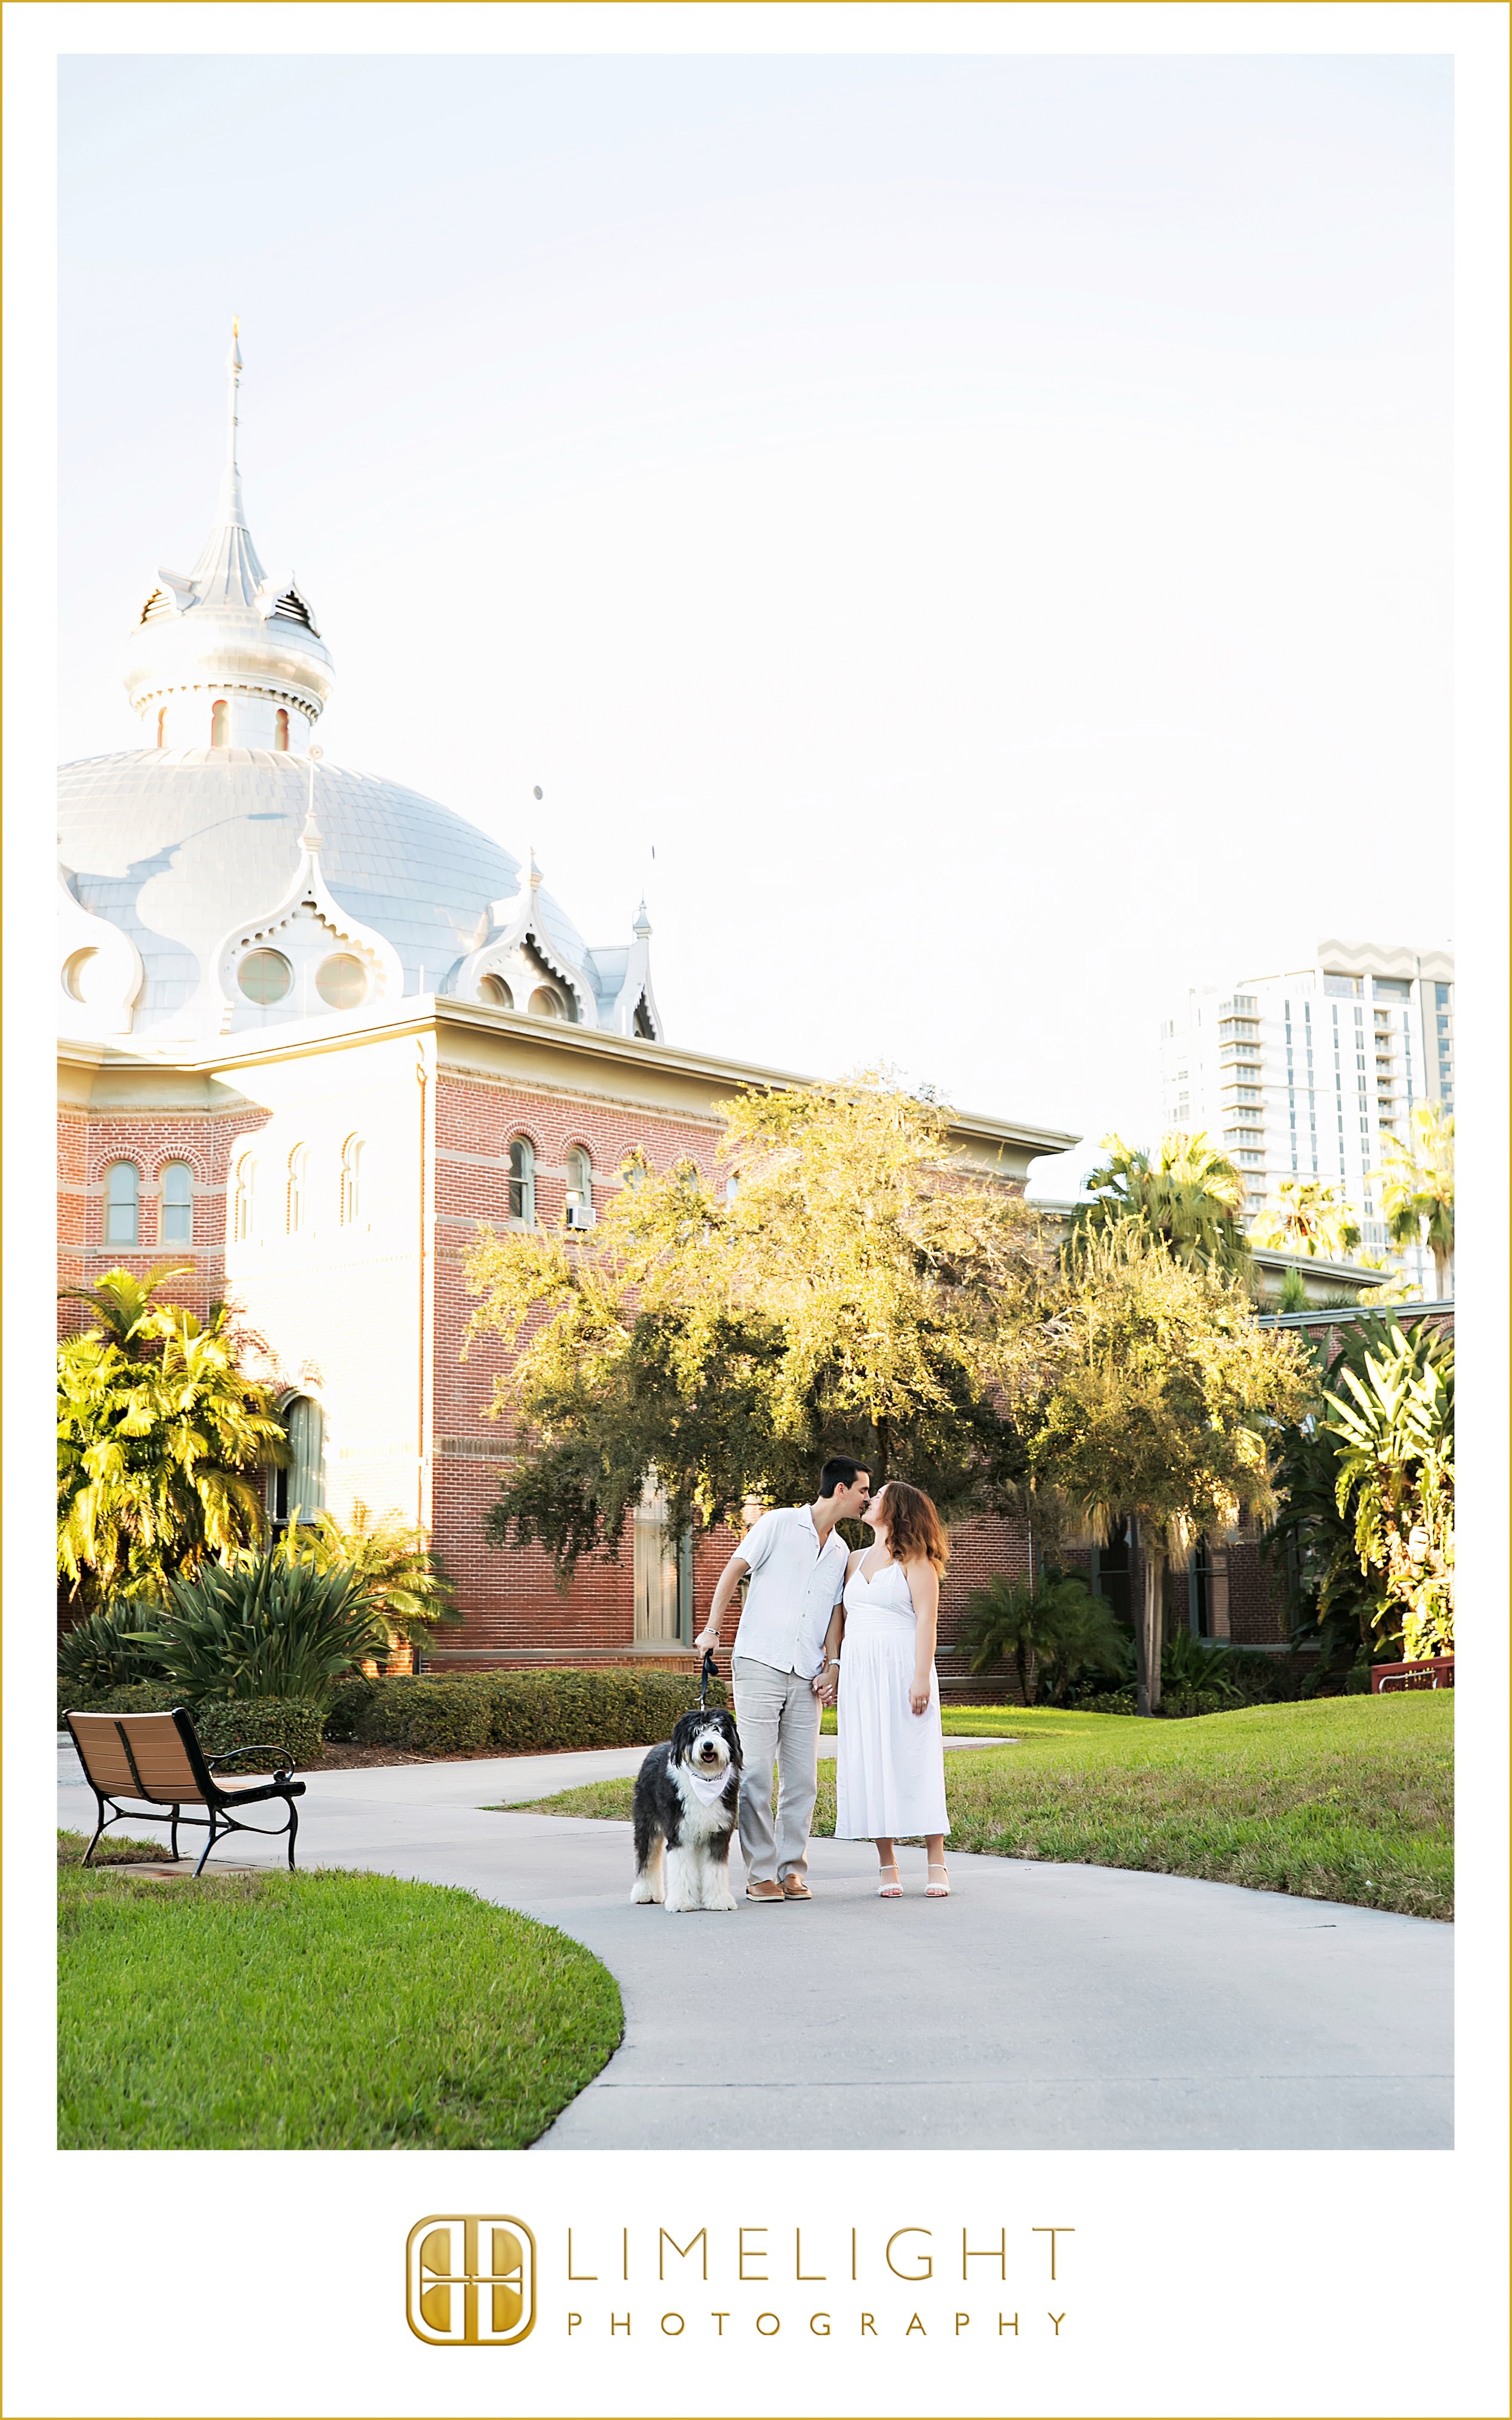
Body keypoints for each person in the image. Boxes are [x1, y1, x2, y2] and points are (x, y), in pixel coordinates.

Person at [694, 1456, 871, 1902]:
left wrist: (833, 1664)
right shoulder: (777, 1524)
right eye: (864, 1490)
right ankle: (759, 1875)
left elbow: (834, 1611)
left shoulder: (841, 1551)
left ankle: (792, 1870)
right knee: (754, 1774)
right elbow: (734, 1570)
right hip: (760, 1662)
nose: (868, 1497)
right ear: (842, 1490)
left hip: (806, 1671)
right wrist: (713, 1629)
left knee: (802, 1779)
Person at [826, 1479, 951, 1897]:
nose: (869, 1499)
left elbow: (926, 1621)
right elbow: (839, 1619)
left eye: (877, 1496)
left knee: (915, 1757)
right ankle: (887, 1865)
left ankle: (937, 1863)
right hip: (862, 1672)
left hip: (903, 1666)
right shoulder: (853, 1559)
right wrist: (836, 1667)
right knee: (871, 1758)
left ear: (895, 1510)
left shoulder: (917, 1562)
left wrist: (921, 1676)